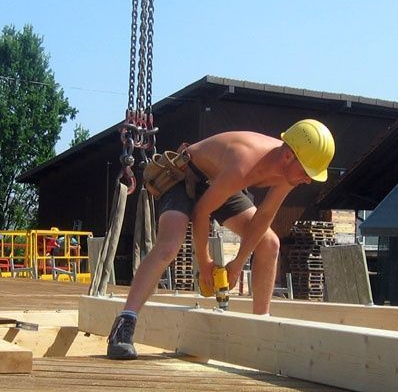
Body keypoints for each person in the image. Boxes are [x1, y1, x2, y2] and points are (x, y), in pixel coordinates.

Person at [106, 119, 335, 359]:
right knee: (168, 247)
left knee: (270, 243)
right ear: (288, 156)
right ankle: (124, 326)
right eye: (307, 172)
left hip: (220, 184)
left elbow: (264, 216)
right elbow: (201, 211)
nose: (308, 180)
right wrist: (204, 262)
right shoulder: (244, 161)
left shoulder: (290, 174)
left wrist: (237, 264)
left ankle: (261, 330)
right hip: (183, 177)